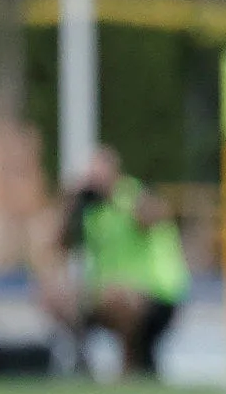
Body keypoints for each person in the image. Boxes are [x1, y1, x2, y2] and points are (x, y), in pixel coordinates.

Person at [44, 146, 189, 378]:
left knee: (117, 296)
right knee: (57, 297)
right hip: (108, 294)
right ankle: (83, 363)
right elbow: (57, 245)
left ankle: (129, 365)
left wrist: (116, 198)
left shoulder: (132, 196)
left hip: (158, 294)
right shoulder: (90, 213)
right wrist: (70, 205)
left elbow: (153, 216)